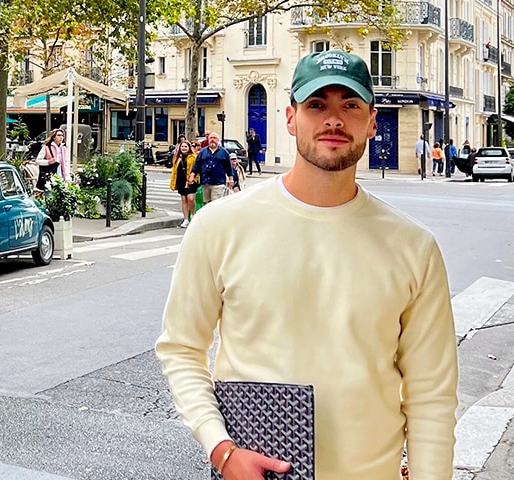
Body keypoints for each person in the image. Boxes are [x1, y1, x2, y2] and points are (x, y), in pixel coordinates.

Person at [156, 49, 458, 480]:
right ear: (291, 117)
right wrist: (221, 448)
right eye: (317, 104)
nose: (333, 120)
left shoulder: (413, 247)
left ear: (372, 120)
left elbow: (431, 395)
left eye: (349, 105)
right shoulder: (218, 226)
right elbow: (182, 348)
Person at [189, 131, 233, 204]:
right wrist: (192, 176)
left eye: (214, 138)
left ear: (218, 140)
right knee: (206, 204)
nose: (212, 139)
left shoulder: (224, 152)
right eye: (211, 138)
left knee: (215, 203)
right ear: (208, 140)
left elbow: (229, 167)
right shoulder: (203, 152)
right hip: (205, 182)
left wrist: (231, 179)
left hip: (218, 183)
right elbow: (197, 165)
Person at [170, 141, 198, 228]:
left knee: (191, 198)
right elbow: (174, 170)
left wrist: (194, 178)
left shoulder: (193, 157)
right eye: (182, 146)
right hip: (181, 181)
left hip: (191, 181)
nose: (184, 148)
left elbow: (197, 168)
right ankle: (185, 219)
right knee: (184, 200)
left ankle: (193, 215)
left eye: (186, 146)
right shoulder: (177, 158)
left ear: (189, 148)